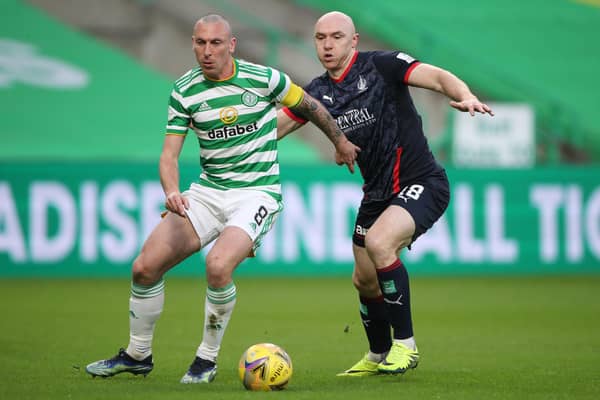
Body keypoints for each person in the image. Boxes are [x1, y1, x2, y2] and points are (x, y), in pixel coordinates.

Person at [85, 14, 359, 384]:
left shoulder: (264, 79)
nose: (207, 51)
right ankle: (137, 355)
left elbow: (309, 105)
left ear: (231, 45)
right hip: (208, 192)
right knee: (144, 268)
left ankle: (206, 360)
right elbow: (169, 155)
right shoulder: (185, 90)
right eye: (200, 43)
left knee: (217, 266)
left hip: (256, 192)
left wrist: (340, 143)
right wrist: (171, 191)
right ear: (193, 44)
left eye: (215, 43)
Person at [277, 11, 493, 376]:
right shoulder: (317, 93)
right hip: (377, 194)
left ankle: (405, 346)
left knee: (379, 243)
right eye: (320, 38)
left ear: (354, 41)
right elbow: (278, 127)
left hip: (422, 181)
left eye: (336, 37)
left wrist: (465, 94)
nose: (328, 45)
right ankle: (377, 354)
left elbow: (437, 77)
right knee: (363, 278)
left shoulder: (383, 65)